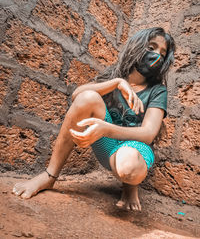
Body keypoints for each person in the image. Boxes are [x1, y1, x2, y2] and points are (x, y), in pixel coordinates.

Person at [12, 27, 175, 211]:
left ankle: (130, 188)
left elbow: (148, 133)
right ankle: (49, 175)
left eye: (162, 53)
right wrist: (117, 83)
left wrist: (105, 128)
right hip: (108, 147)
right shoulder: (115, 74)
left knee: (128, 164)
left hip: (134, 152)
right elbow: (77, 95)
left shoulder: (157, 90)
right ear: (137, 46)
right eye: (151, 47)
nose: (157, 56)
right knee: (87, 98)